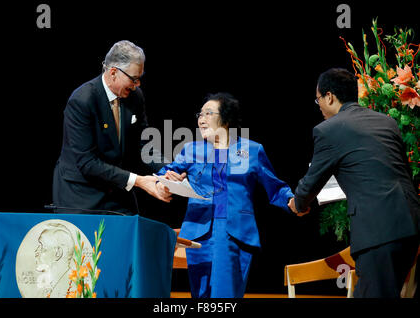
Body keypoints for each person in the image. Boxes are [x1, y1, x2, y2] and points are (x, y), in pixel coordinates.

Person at [288, 68, 420, 298]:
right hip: (410, 225)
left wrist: (298, 204)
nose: (318, 105)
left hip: (379, 229)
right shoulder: (386, 122)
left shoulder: (329, 130)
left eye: (318, 99)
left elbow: (311, 182)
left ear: (329, 96)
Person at [157, 92, 298, 298]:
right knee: (201, 296)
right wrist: (166, 180)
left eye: (208, 113)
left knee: (225, 296)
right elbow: (164, 174)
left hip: (234, 233)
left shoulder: (252, 150)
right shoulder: (191, 150)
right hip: (199, 233)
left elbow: (275, 188)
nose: (201, 119)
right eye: (200, 114)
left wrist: (293, 202)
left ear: (226, 119)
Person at [52, 40, 170, 215]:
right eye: (134, 79)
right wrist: (138, 180)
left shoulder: (135, 97)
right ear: (113, 72)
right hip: (81, 194)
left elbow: (143, 144)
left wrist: (168, 171)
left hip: (117, 191)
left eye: (140, 78)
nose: (138, 85)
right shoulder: (82, 100)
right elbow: (87, 162)